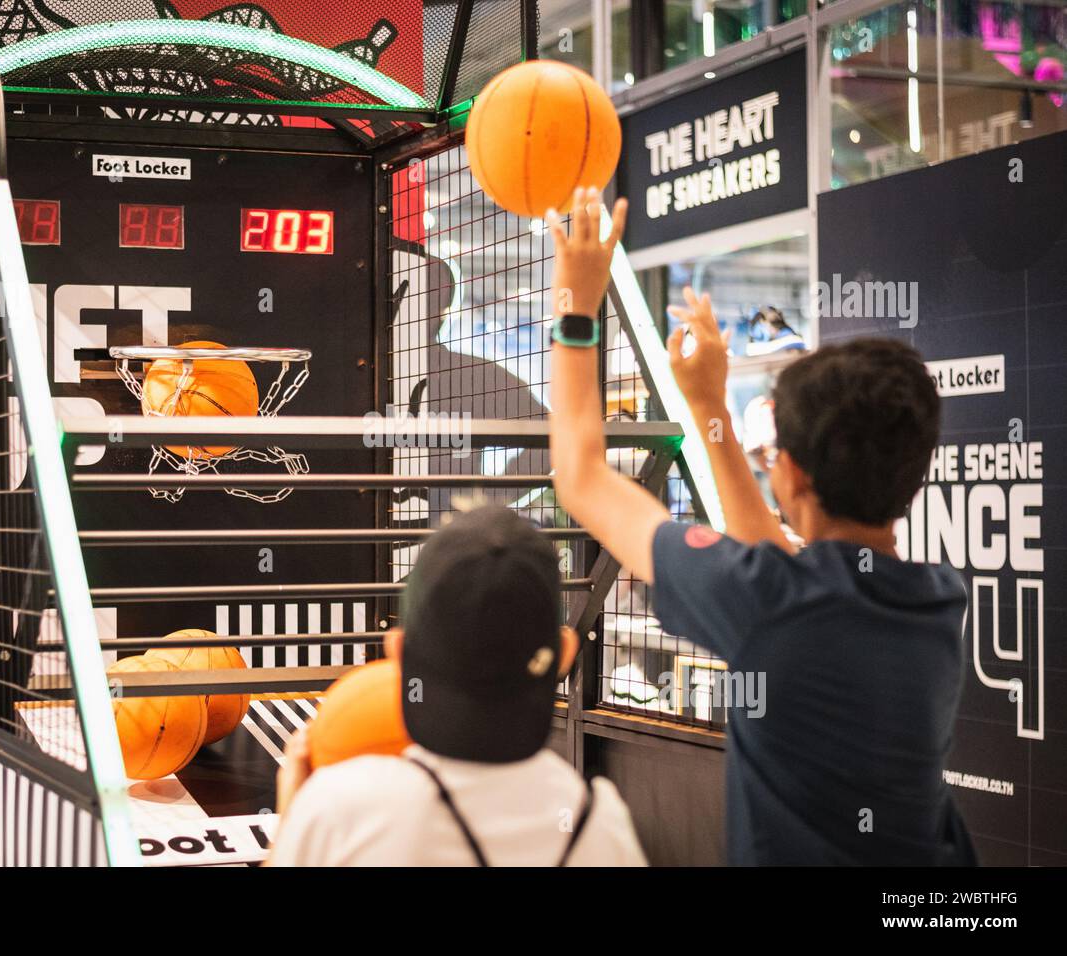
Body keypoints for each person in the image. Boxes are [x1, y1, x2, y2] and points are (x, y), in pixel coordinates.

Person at [546, 186, 975, 865]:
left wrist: (575, 307)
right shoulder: (935, 601)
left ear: (794, 476)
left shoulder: (770, 603)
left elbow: (582, 479)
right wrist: (708, 403)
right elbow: (776, 558)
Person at [268, 503, 646, 867]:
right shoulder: (599, 820)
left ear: (397, 651)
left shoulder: (339, 808)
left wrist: (292, 815)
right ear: (564, 653)